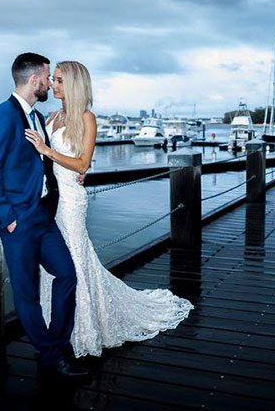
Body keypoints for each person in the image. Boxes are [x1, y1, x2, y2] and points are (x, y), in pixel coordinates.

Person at [24, 60, 195, 361]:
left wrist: (47, 150)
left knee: (75, 259)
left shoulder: (87, 119)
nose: (53, 85)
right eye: (53, 80)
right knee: (53, 266)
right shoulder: (51, 117)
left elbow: (81, 165)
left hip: (71, 201)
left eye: (59, 80)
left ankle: (84, 327)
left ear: (74, 85)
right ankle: (56, 324)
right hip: (49, 200)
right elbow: (45, 162)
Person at [0, 52, 88, 378]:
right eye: (48, 76)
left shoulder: (38, 117)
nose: (50, 82)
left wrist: (74, 175)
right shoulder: (1, 117)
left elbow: (43, 163)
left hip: (43, 215)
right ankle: (52, 355)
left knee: (67, 274)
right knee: (27, 293)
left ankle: (56, 342)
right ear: (35, 80)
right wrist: (6, 218)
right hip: (19, 222)